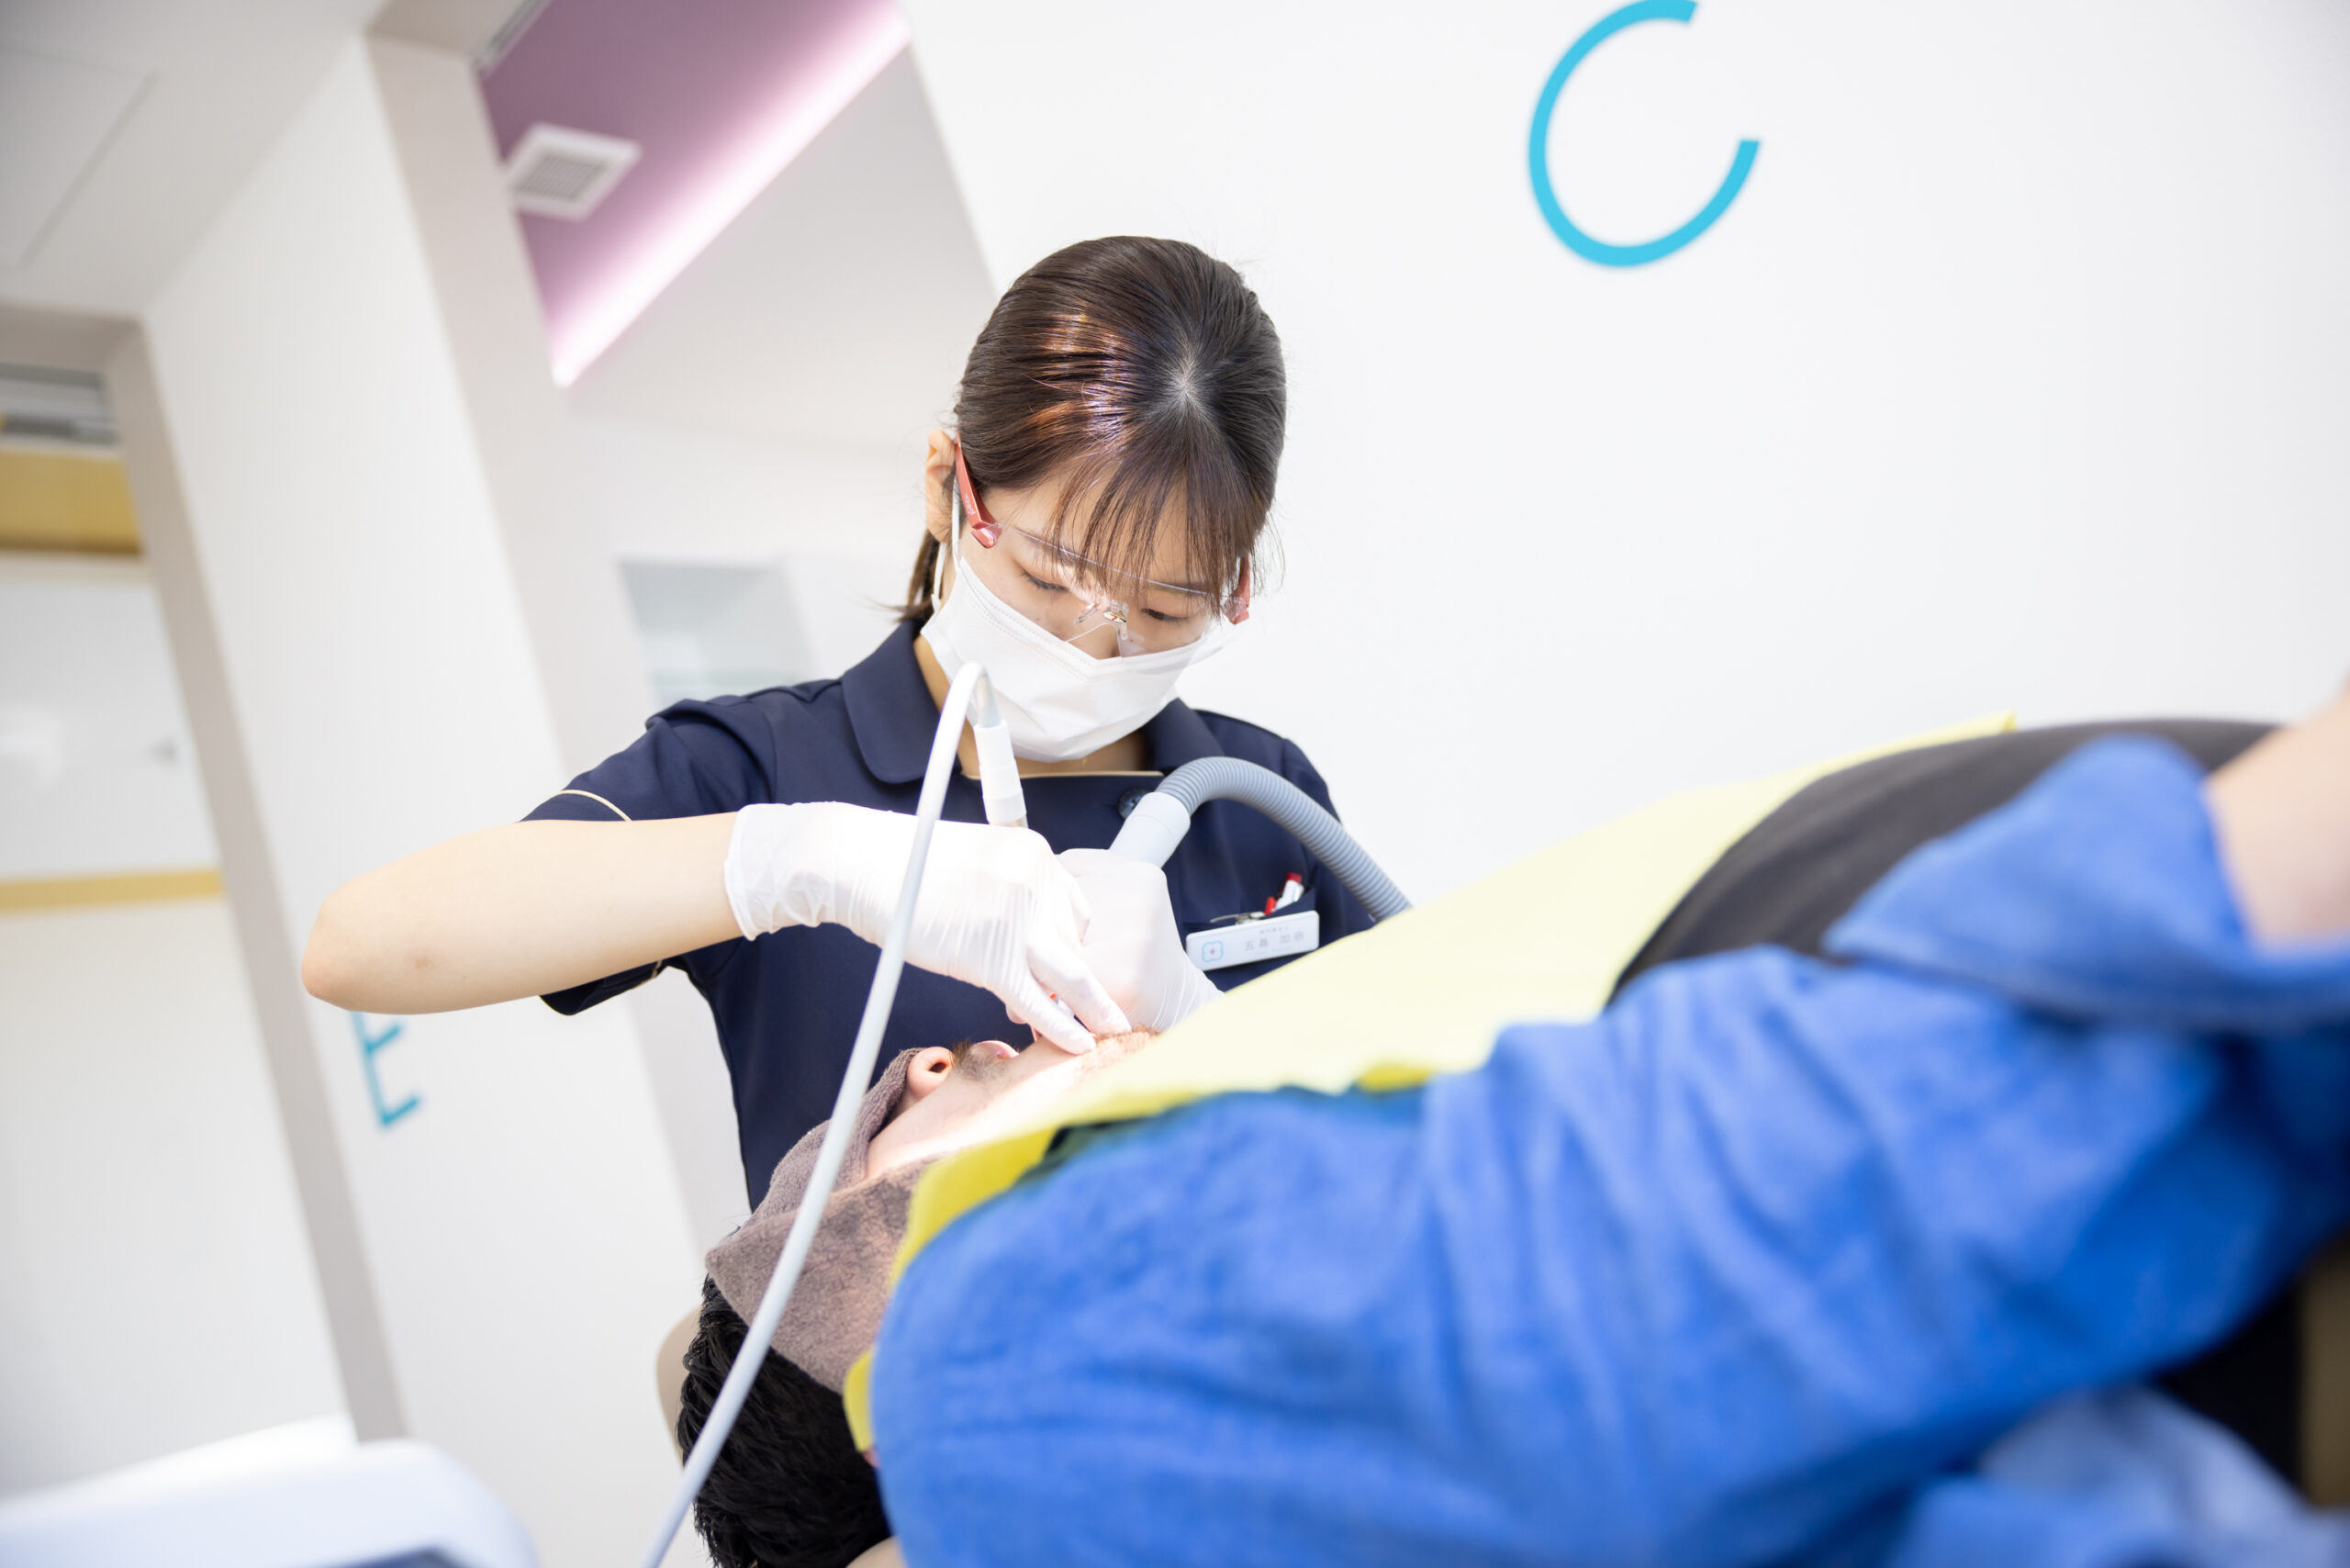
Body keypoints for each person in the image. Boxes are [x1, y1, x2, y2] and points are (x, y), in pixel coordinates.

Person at [677, 697, 2350, 1567]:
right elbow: (1762, 1224)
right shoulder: (977, 1374)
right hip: (2200, 1034)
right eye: (892, 1117)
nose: (940, 1055)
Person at [298, 237, 1373, 1203]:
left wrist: (1200, 1020)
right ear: (947, 485)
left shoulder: (1260, 795)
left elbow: (1409, 1140)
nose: (1091, 648)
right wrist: (801, 860)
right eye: (1050, 582)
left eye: (1163, 611)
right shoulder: (769, 763)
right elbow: (359, 947)